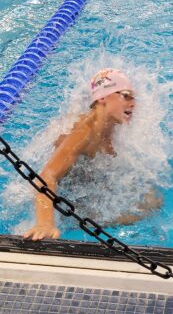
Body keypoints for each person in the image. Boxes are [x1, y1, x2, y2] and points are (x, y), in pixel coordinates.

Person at [23, 68, 163, 241]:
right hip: (66, 196)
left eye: (134, 97)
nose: (133, 103)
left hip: (87, 184)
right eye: (126, 95)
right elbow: (47, 175)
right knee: (142, 211)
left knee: (151, 203)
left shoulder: (110, 127)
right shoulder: (84, 131)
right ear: (102, 97)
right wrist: (45, 223)